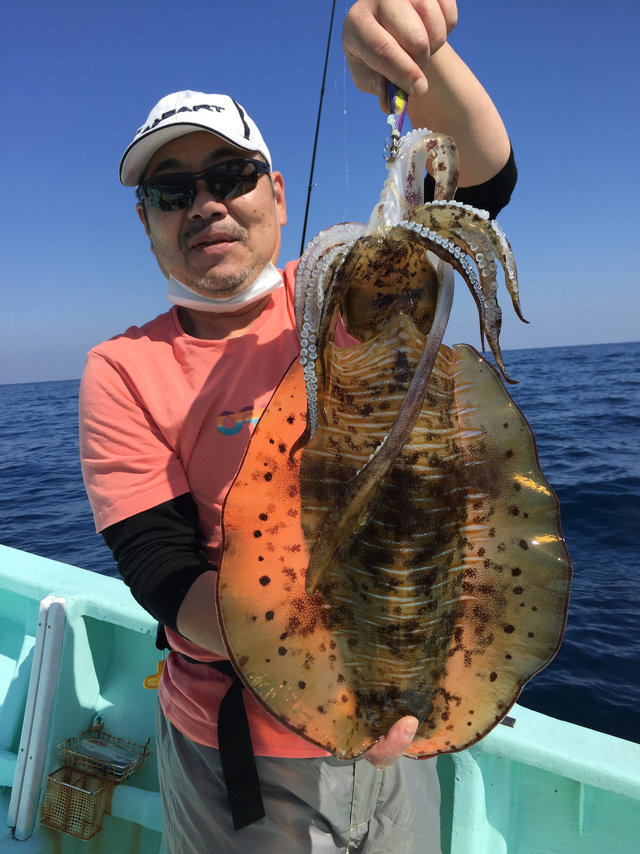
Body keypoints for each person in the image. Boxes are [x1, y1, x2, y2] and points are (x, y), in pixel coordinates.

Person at [80, 1, 517, 851]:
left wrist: (417, 59)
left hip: (403, 727)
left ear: (276, 194)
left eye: (231, 175)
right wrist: (322, 662)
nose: (204, 203)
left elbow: (483, 184)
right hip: (238, 757)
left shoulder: (341, 295)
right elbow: (166, 577)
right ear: (149, 223)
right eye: (172, 191)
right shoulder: (122, 370)